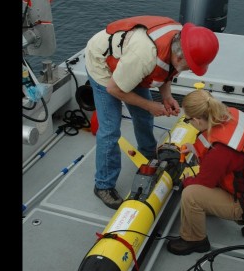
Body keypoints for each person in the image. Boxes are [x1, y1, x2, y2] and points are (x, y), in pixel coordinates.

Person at [84, 16, 219, 209]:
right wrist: (149, 105)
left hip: (130, 65)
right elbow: (114, 90)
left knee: (143, 115)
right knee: (110, 129)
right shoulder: (144, 56)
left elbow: (168, 70)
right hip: (103, 65)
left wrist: (166, 97)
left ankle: (148, 154)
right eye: (190, 67)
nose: (189, 71)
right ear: (180, 57)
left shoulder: (180, 43)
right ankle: (103, 185)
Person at [167, 89, 244, 255]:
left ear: (198, 120)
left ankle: (195, 240)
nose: (189, 123)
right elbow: (219, 148)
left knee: (190, 194)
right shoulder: (233, 114)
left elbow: (203, 182)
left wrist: (183, 181)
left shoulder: (220, 152)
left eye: (188, 120)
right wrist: (195, 149)